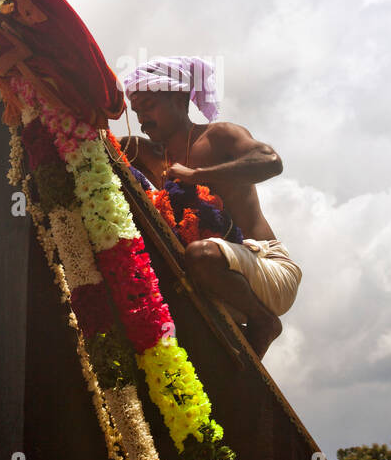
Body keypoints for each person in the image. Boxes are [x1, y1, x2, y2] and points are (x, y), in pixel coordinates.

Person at [119, 56, 301, 358]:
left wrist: (197, 175)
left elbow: (272, 162)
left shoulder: (219, 136)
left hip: (267, 269)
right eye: (137, 111)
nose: (142, 119)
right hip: (207, 277)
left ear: (179, 98)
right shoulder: (144, 152)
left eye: (149, 106)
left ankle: (264, 323)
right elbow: (92, 141)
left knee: (200, 254)